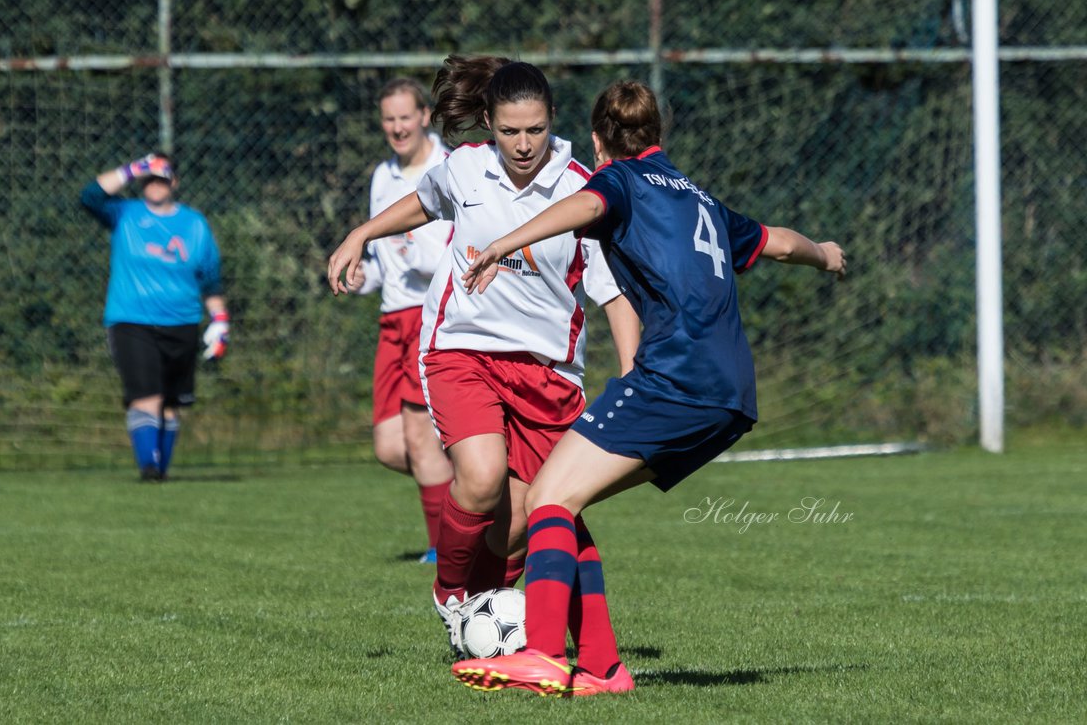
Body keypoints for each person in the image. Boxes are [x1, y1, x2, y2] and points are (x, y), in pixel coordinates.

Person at [449, 80, 847, 695]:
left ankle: (543, 655)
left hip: (674, 378)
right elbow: (779, 242)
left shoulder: (619, 181)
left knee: (546, 500)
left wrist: (503, 242)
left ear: (601, 142)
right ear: (659, 135)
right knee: (567, 499)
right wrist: (823, 254)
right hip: (732, 394)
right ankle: (605, 670)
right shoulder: (703, 200)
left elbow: (584, 208)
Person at [328, 56, 638, 659]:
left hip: (547, 371)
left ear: (552, 121)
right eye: (509, 131)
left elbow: (611, 291)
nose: (523, 145)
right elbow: (424, 200)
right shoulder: (466, 168)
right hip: (460, 349)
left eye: (535, 129)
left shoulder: (584, 191)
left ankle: (485, 613)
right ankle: (450, 596)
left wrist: (630, 375)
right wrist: (362, 233)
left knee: (521, 522)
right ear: (489, 125)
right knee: (481, 474)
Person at [348, 77, 455, 564]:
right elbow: (385, 261)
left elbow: (463, 255)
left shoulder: (450, 168)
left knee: (418, 438)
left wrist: (421, 256)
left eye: (405, 117)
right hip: (391, 321)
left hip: (432, 316)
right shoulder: (382, 176)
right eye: (389, 119)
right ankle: (477, 487)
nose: (397, 127)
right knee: (391, 448)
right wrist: (362, 276)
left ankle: (445, 549)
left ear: (426, 116)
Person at [80, 152, 229, 482]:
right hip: (132, 320)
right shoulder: (125, 214)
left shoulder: (194, 224)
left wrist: (220, 322)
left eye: (162, 178)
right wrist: (132, 169)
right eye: (149, 179)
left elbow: (210, 279)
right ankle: (149, 469)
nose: (155, 184)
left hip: (183, 322)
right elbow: (90, 196)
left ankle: (159, 469)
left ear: (174, 182)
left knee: (170, 403)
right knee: (146, 396)